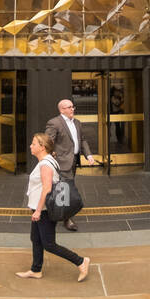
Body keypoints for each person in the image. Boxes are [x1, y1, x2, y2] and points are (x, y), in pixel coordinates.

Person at [15, 132, 90, 282]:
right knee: (35, 238)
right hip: (41, 208)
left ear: (42, 147)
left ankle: (81, 261)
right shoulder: (47, 160)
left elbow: (47, 189)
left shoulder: (45, 165)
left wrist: (37, 210)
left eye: (34, 144)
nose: (31, 146)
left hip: (44, 210)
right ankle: (36, 270)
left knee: (49, 244)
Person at [44, 98, 95, 231]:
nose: (73, 109)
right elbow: (47, 142)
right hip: (61, 162)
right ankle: (66, 218)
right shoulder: (54, 123)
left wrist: (88, 155)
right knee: (65, 189)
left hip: (73, 161)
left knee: (64, 188)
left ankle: (58, 214)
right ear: (62, 109)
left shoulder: (77, 123)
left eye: (73, 107)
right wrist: (53, 156)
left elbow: (82, 140)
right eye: (69, 107)